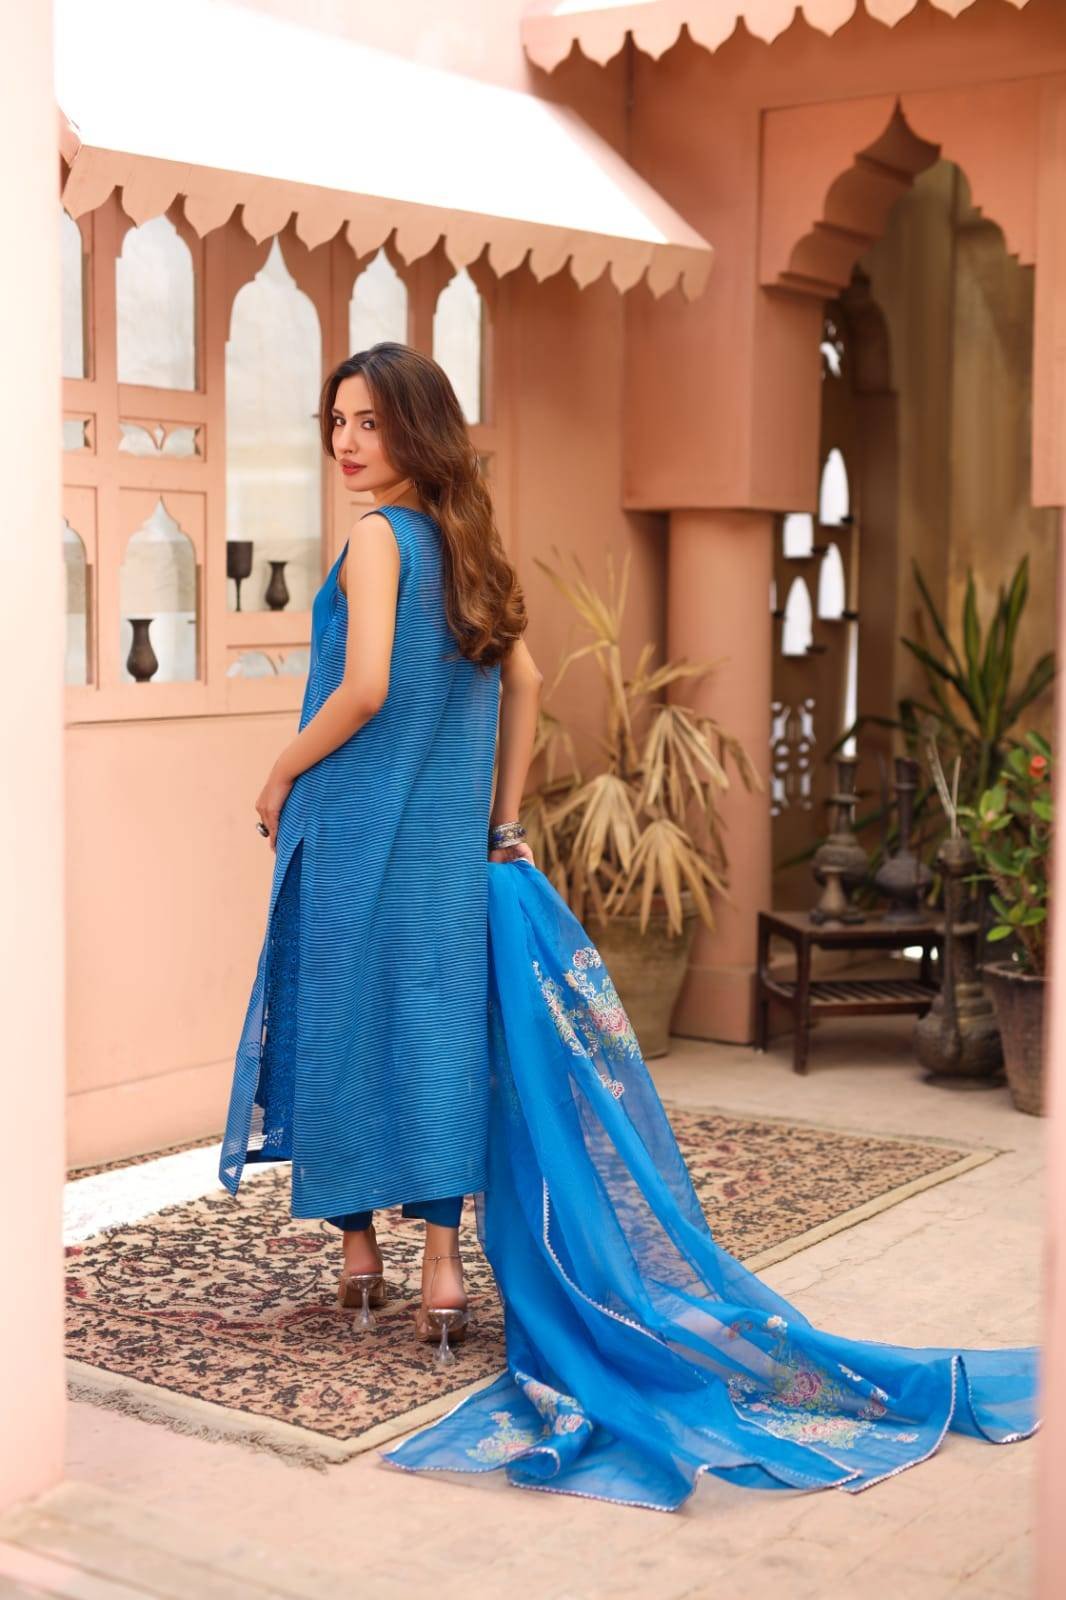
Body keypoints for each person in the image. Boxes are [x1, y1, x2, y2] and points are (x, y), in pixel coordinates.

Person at [217, 341, 541, 1351]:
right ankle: (441, 1271)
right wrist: (501, 827)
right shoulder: (470, 546)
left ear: (417, 430)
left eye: (370, 422)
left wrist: (279, 771)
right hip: (444, 851)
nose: (347, 443)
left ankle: (360, 1259)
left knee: (337, 1024)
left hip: (352, 828)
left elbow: (363, 690)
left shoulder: (376, 538)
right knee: (434, 1034)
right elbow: (528, 685)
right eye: (338, 422)